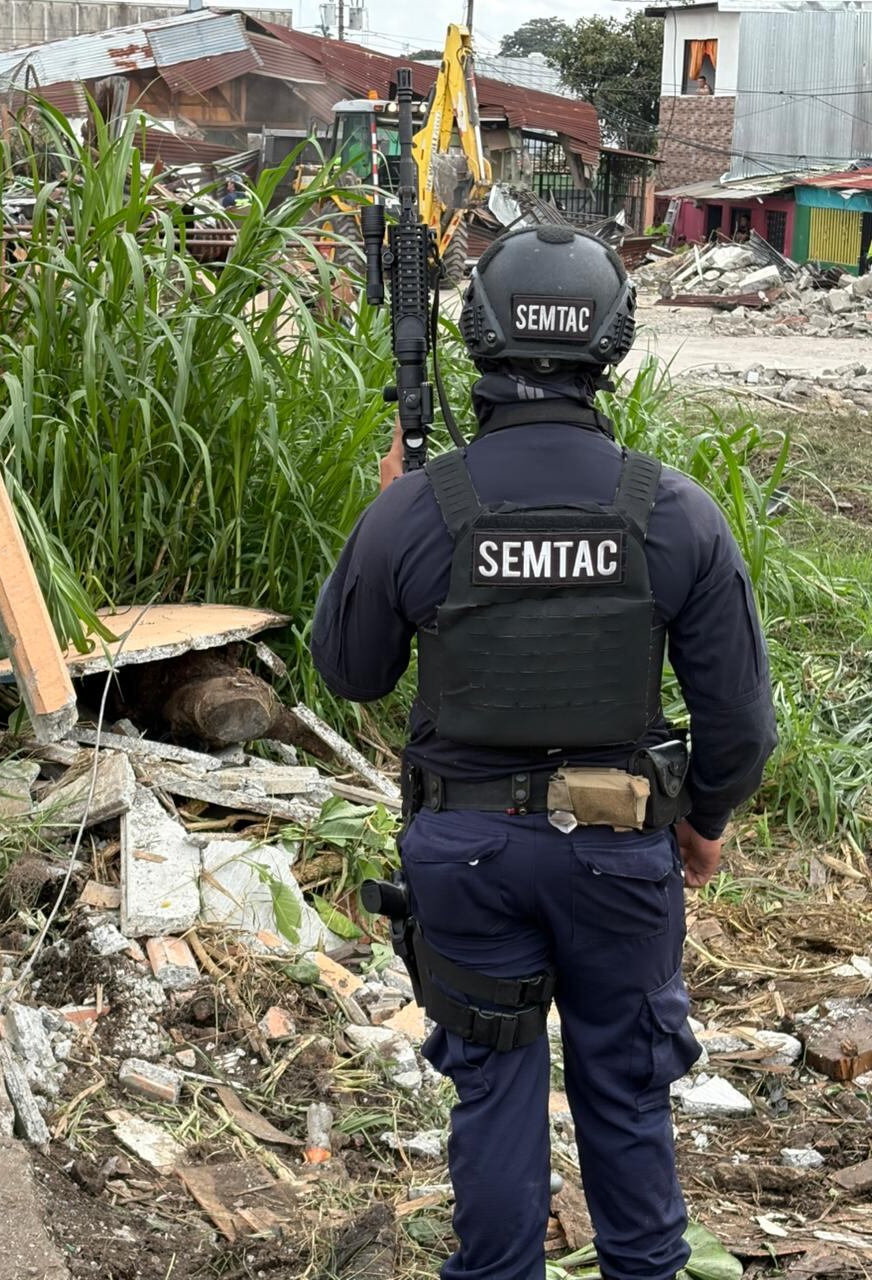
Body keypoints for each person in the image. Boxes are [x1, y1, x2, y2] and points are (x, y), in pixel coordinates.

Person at [311, 225, 777, 1280]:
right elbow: (740, 721)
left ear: (479, 333)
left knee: (495, 1083)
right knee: (625, 1083)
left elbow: (350, 668)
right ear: (611, 340)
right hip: (620, 858)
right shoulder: (676, 514)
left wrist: (386, 505)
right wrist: (702, 820)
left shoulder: (423, 509)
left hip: (465, 854)